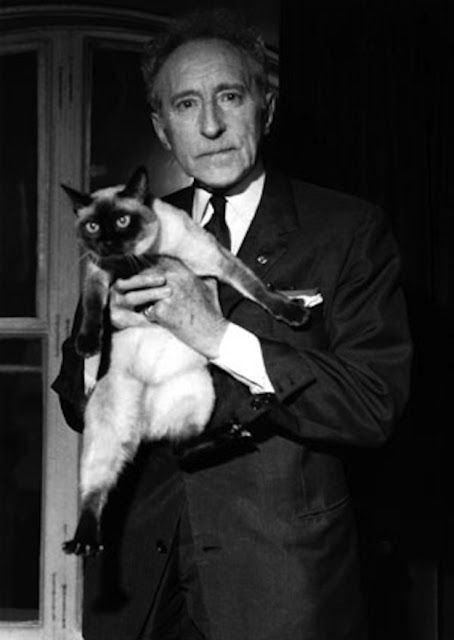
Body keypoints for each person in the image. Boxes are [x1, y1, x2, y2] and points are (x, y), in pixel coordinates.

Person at [52, 8, 412, 640]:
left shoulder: (349, 231)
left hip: (281, 590)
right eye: (186, 104)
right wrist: (101, 344)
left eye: (230, 97)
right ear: (162, 127)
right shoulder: (129, 226)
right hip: (138, 589)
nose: (211, 126)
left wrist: (215, 335)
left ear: (266, 107)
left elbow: (373, 403)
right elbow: (77, 403)